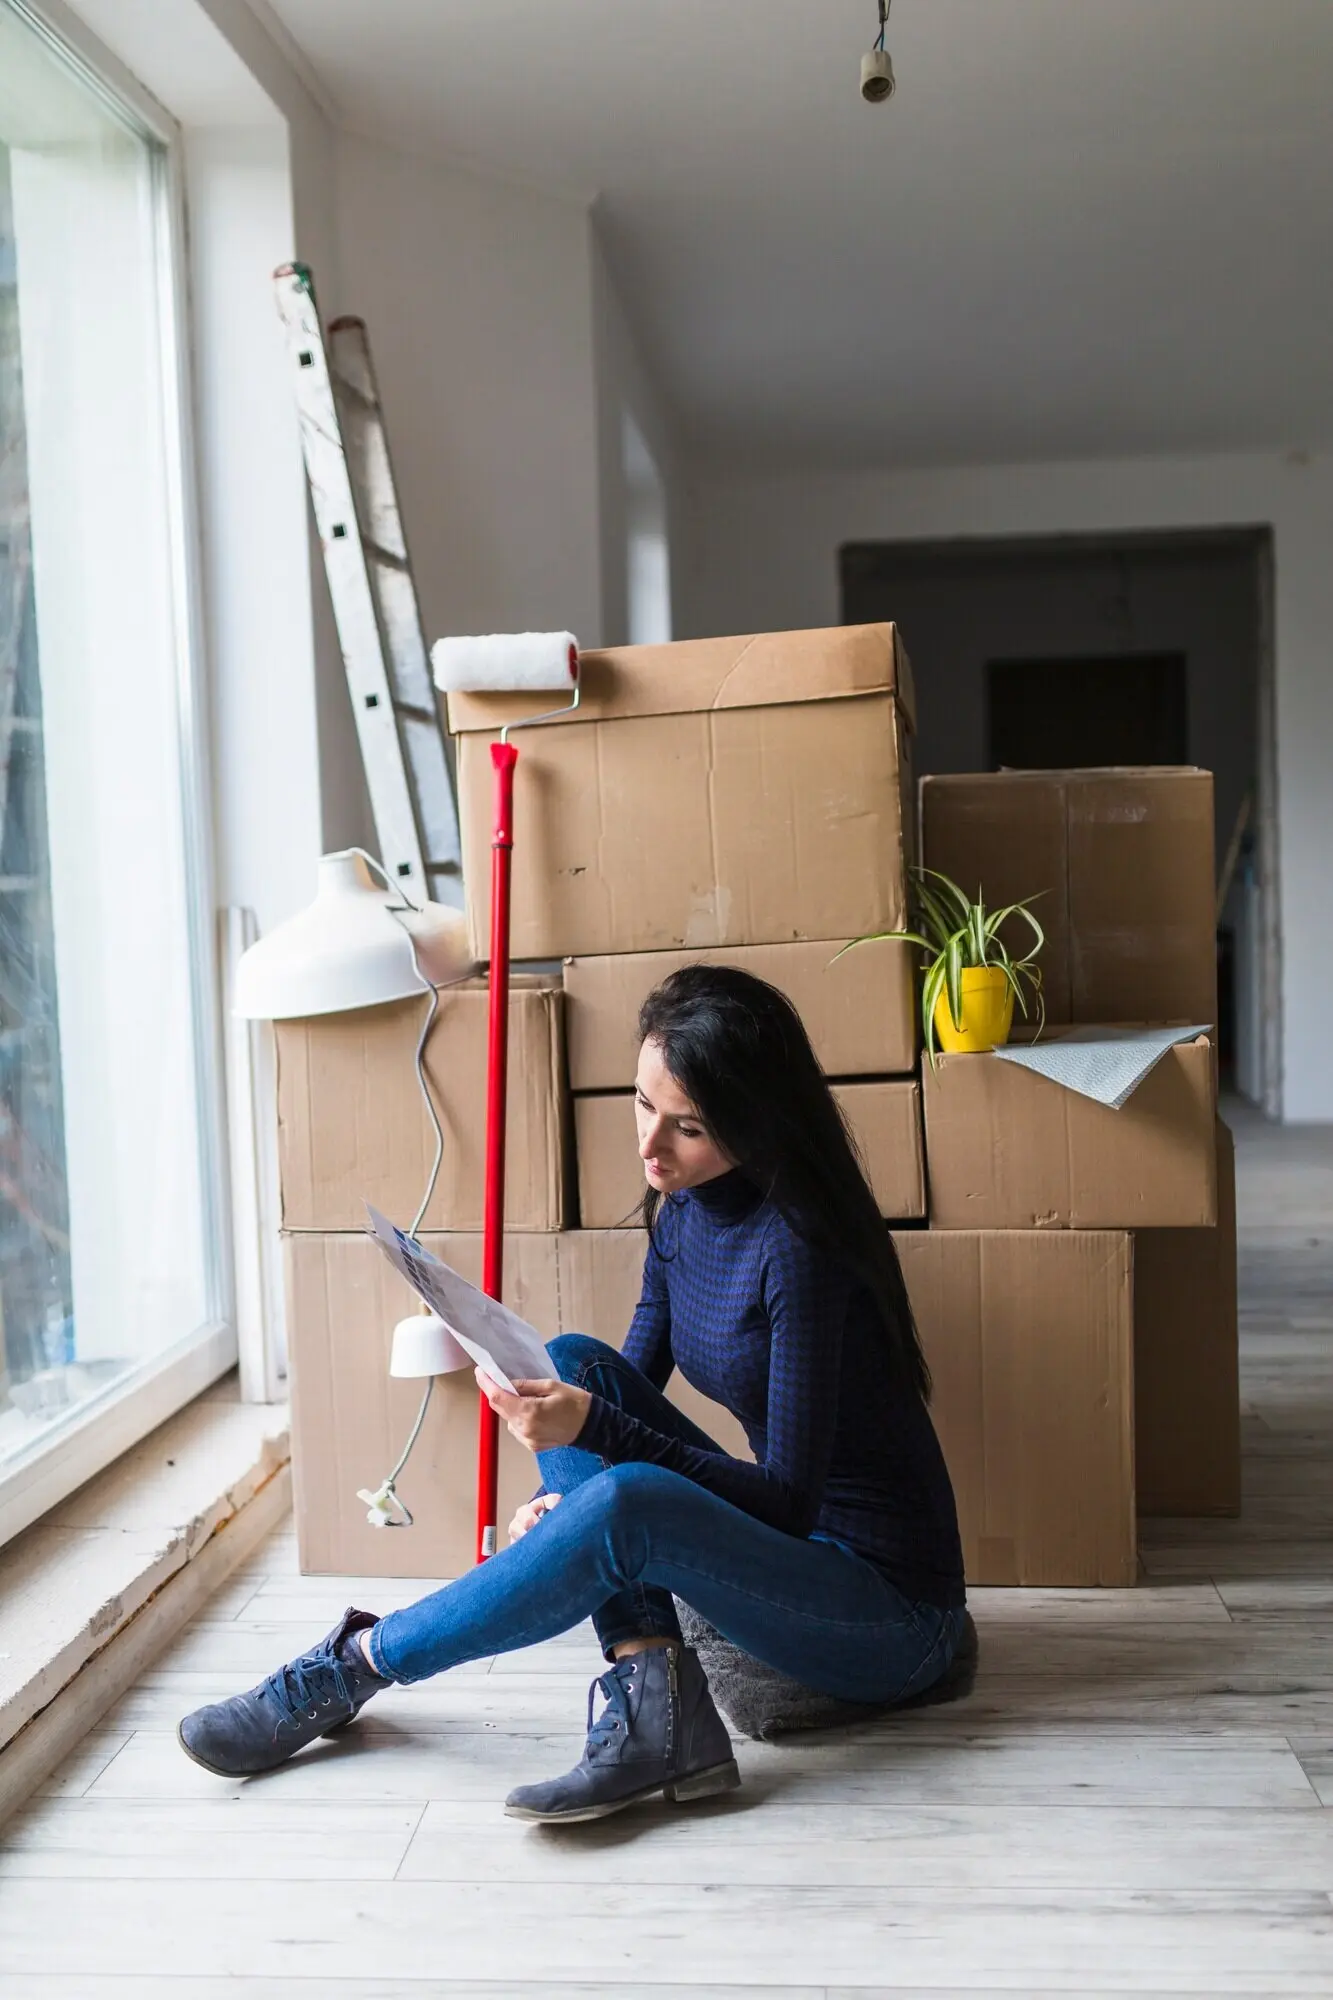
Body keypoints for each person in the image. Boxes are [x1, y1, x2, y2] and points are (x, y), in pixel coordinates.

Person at [178, 966, 968, 1822]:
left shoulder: (798, 1250)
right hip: (796, 1561)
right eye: (642, 1104)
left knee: (626, 1493)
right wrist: (563, 1491)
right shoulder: (682, 1207)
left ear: (756, 1122)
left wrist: (593, 1453)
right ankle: (654, 1706)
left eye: (688, 1127)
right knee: (566, 1361)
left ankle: (355, 1664)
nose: (650, 1146)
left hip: (888, 1618)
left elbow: (782, 1502)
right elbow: (607, 1392)